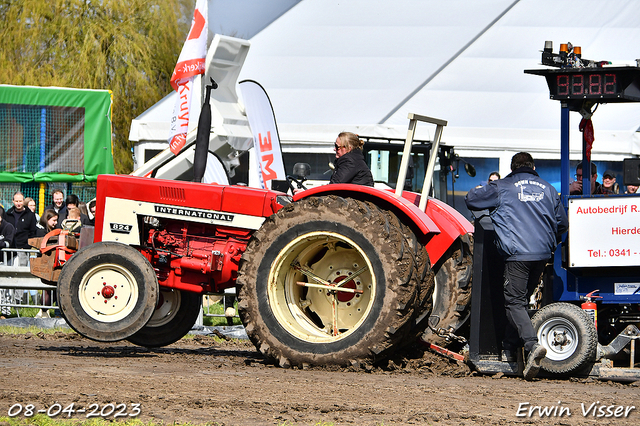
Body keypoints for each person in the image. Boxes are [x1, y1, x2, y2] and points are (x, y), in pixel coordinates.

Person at [465, 152, 568, 380]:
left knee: (513, 303)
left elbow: (472, 199)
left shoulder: (503, 186)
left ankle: (532, 347)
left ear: (513, 167)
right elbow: (563, 222)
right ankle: (509, 348)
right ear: (533, 166)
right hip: (541, 254)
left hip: (517, 253)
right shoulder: (549, 189)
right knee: (520, 303)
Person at [4, 191, 38, 266]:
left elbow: (33, 232)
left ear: (23, 201)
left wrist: (26, 246)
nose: (18, 203)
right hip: (10, 249)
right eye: (16, 201)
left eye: (20, 201)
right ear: (13, 201)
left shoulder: (30, 215)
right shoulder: (8, 214)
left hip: (23, 250)